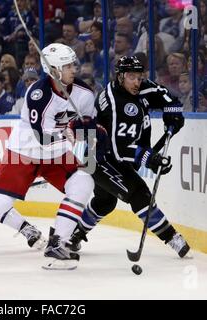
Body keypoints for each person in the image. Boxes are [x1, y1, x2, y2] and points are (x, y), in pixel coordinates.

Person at [0, 43, 107, 273]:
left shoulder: (84, 93)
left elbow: (90, 124)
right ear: (54, 70)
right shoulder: (38, 94)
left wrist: (91, 143)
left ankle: (57, 244)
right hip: (25, 153)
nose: (73, 69)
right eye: (67, 65)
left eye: (72, 64)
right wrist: (73, 137)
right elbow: (43, 138)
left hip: (56, 154)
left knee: (83, 182)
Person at [67, 56, 191, 259]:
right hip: (98, 157)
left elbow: (163, 94)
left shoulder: (138, 86)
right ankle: (172, 238)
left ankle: (74, 235)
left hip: (101, 152)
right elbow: (119, 150)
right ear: (120, 76)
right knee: (139, 194)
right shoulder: (117, 105)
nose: (136, 82)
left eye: (139, 77)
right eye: (131, 77)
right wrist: (150, 159)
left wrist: (173, 112)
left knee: (105, 201)